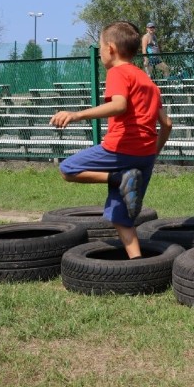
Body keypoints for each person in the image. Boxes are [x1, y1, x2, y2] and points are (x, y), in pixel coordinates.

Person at [50, 21, 173, 260]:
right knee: (121, 217)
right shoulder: (149, 82)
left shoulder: (117, 72)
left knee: (67, 169)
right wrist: (153, 154)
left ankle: (119, 178)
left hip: (121, 148)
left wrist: (77, 115)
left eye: (100, 47)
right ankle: (138, 263)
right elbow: (167, 124)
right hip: (145, 155)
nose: (99, 54)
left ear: (111, 48)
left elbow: (119, 105)